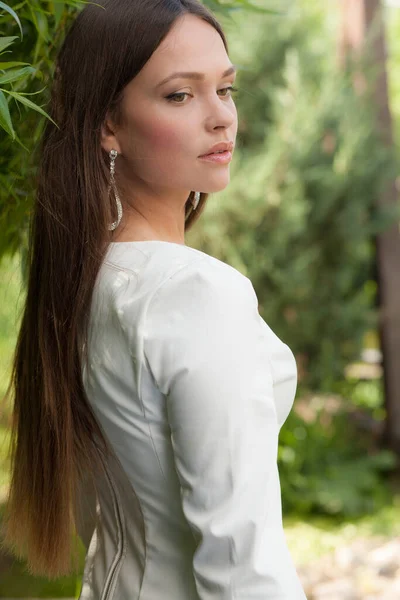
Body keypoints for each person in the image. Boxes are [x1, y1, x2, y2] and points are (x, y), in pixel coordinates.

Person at [2, 0, 307, 598]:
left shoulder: (81, 285)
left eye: (225, 88)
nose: (221, 117)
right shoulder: (197, 295)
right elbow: (241, 566)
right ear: (107, 124)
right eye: (179, 95)